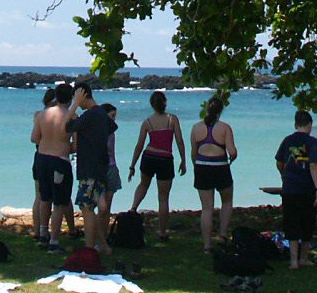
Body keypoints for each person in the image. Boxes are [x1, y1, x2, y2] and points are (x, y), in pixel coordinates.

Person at [127, 90, 186, 240]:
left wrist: (132, 165)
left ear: (152, 105)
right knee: (163, 197)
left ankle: (133, 209)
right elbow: (179, 140)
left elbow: (139, 145)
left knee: (143, 185)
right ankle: (162, 232)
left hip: (149, 156)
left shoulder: (147, 122)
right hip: (165, 159)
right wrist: (183, 160)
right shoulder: (172, 119)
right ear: (165, 103)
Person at [65, 81, 114, 256]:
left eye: (77, 97)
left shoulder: (91, 114)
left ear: (83, 95)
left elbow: (67, 126)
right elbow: (111, 127)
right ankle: (103, 246)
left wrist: (74, 105)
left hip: (90, 169)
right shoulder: (100, 113)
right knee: (91, 208)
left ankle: (89, 250)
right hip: (99, 166)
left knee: (86, 208)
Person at [29, 82, 75, 252]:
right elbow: (75, 146)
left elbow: (34, 138)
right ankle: (54, 241)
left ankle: (43, 234)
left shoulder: (42, 115)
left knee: (44, 198)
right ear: (70, 98)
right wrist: (62, 144)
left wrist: (49, 141)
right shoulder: (72, 117)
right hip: (59, 161)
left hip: (42, 159)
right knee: (60, 202)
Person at [275, 109, 317, 270]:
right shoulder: (312, 142)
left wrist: (284, 175)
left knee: (291, 223)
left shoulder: (287, 140)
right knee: (307, 223)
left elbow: (279, 162)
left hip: (289, 188)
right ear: (310, 125)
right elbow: (314, 166)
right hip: (306, 188)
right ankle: (303, 258)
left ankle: (293, 261)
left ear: (296, 125)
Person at [190, 96, 237, 252]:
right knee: (227, 201)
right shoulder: (224, 127)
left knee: (207, 208)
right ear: (220, 111)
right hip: (220, 167)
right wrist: (232, 158)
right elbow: (232, 151)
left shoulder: (196, 128)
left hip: (202, 167)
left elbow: (194, 154)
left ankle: (207, 244)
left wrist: (196, 166)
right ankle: (223, 235)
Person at [30, 86, 54, 244]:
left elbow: (35, 138)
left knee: (39, 196)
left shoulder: (38, 115)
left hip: (39, 156)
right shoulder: (51, 116)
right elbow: (36, 138)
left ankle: (37, 229)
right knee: (45, 197)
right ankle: (41, 229)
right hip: (47, 156)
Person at [96, 103, 121, 238]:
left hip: (111, 167)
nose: (113, 120)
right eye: (111, 116)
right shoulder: (97, 131)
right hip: (100, 169)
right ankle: (98, 235)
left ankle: (104, 235)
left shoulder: (111, 132)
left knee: (108, 205)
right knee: (101, 205)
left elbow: (113, 152)